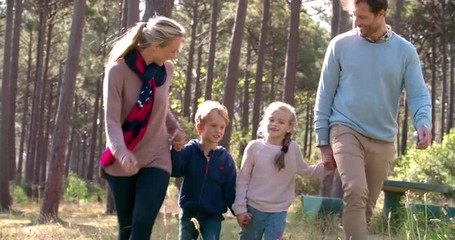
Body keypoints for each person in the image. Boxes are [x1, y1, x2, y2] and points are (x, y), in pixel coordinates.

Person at [314, 0, 432, 239]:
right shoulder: (340, 45)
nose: (357, 23)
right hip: (345, 127)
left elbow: (418, 93)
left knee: (366, 204)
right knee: (355, 190)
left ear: (381, 14)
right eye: (354, 16)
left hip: (383, 137)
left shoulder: (405, 51)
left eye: (363, 17)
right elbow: (324, 95)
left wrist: (424, 123)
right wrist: (323, 142)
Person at [100, 16, 187, 240]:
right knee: (127, 228)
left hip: (157, 157)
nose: (174, 55)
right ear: (157, 45)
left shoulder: (166, 70)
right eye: (173, 49)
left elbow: (160, 107)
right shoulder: (116, 71)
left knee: (142, 224)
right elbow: (111, 121)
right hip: (123, 159)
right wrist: (122, 153)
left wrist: (175, 130)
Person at [233, 101, 335, 240]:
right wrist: (240, 209)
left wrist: (328, 166)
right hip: (253, 210)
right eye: (271, 120)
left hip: (278, 211)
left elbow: (307, 171)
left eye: (280, 122)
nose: (274, 124)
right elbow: (243, 180)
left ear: (289, 127)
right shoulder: (254, 147)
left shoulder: (292, 149)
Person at [171, 100, 237, 240]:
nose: (218, 130)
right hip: (189, 214)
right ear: (199, 127)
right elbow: (175, 171)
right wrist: (176, 151)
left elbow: (230, 190)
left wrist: (240, 212)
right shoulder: (190, 151)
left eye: (222, 127)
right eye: (213, 126)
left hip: (213, 216)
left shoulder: (225, 159)